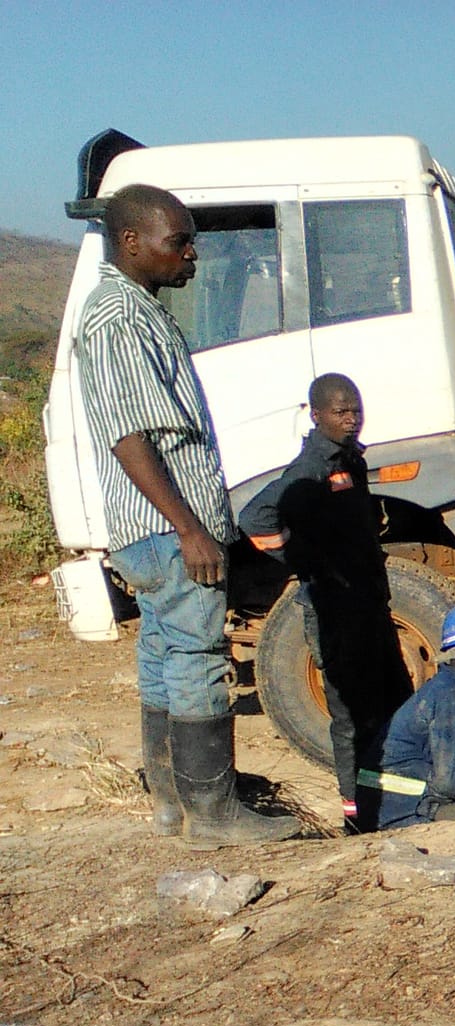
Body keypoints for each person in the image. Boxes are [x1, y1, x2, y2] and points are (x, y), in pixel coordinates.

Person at [75, 184, 298, 847]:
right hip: (165, 529)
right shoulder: (117, 316)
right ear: (131, 242)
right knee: (198, 658)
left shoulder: (138, 309)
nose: (192, 254)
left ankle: (174, 804)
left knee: (163, 654)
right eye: (179, 241)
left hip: (155, 528)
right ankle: (214, 815)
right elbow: (131, 438)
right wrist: (191, 528)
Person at [241, 373, 408, 831]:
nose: (351, 419)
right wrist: (303, 560)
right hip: (334, 612)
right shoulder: (311, 468)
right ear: (316, 416)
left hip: (368, 605)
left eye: (355, 409)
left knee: (393, 702)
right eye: (340, 412)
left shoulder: (349, 461)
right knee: (350, 716)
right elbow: (253, 516)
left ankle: (396, 798)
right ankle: (356, 816)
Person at [364, 602, 455, 830]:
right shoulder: (452, 696)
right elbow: (453, 780)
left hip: (392, 804)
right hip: (403, 811)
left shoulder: (445, 687)